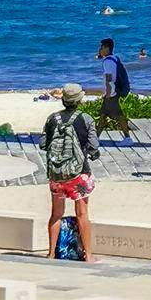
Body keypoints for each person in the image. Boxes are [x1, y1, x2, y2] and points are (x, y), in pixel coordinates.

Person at [40, 82, 100, 260]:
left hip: (57, 174)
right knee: (82, 214)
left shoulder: (52, 119)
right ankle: (88, 255)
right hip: (78, 173)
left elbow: (44, 144)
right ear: (79, 100)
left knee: (56, 214)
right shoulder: (86, 119)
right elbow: (94, 145)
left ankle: (51, 253)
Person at [95, 36, 132, 142]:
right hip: (114, 91)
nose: (100, 50)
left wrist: (107, 94)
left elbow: (109, 78)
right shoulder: (115, 58)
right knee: (103, 115)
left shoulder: (107, 62)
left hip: (111, 93)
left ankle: (128, 138)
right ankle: (96, 138)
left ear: (107, 48)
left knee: (119, 116)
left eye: (101, 48)